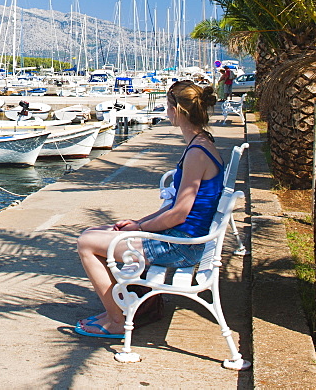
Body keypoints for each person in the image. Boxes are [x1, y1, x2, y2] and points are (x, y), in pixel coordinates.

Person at [74, 81, 222, 338]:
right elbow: (177, 205)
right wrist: (136, 222)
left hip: (180, 245)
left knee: (86, 243)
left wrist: (140, 228)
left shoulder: (197, 153)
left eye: (167, 105)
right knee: (100, 230)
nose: (166, 111)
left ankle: (116, 320)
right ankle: (128, 306)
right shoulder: (202, 144)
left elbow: (179, 213)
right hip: (183, 239)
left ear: (178, 111)